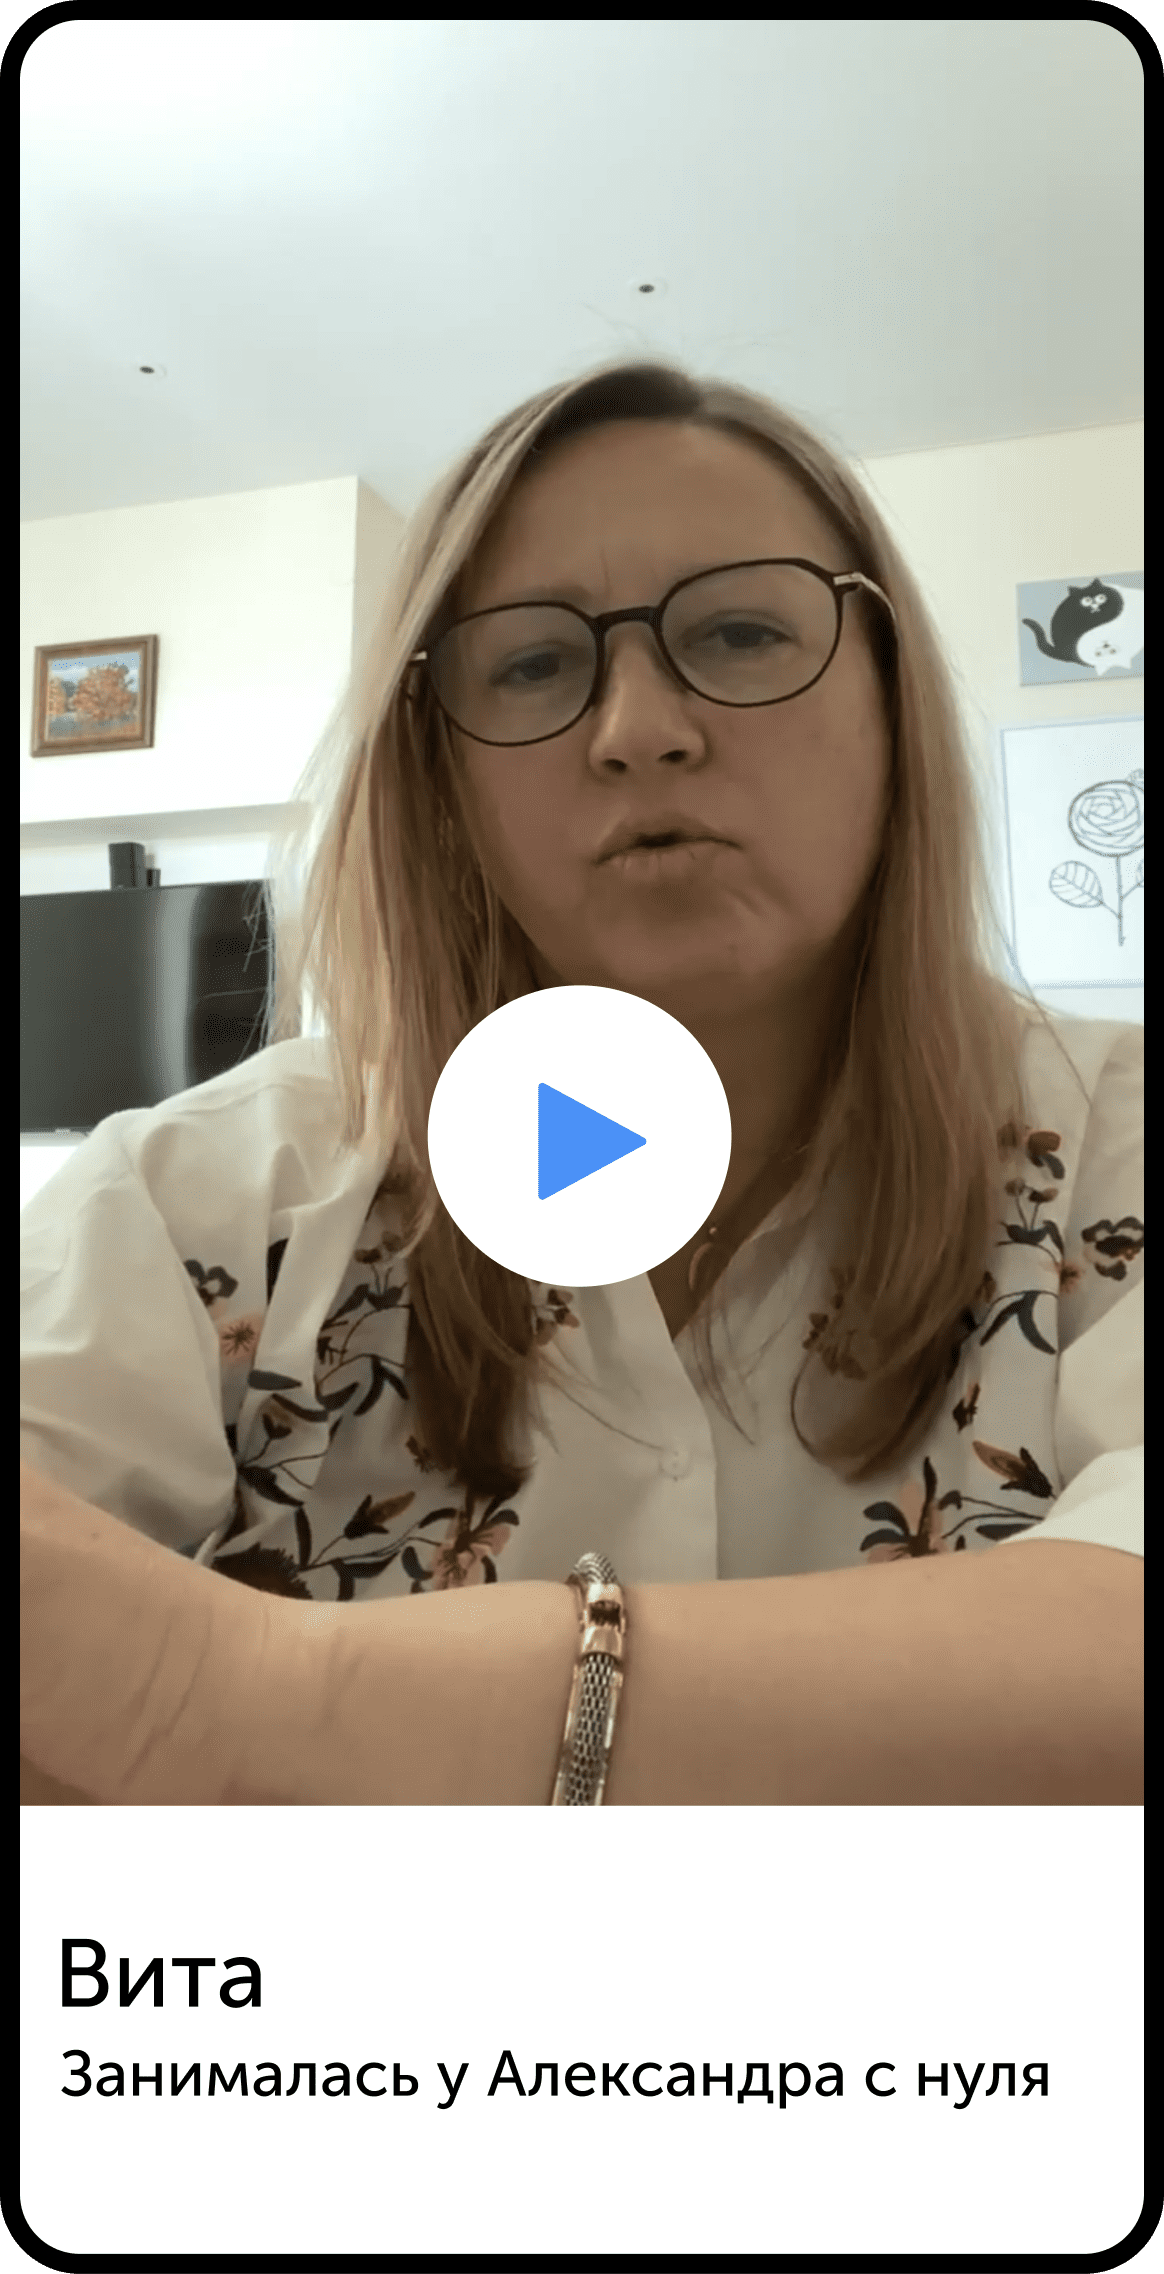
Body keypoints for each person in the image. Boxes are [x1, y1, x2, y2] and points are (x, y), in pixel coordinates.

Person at [20, 359, 1143, 1806]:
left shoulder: (1114, 1146)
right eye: (535, 665)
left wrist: (217, 1698)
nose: (638, 728)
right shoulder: (195, 1203)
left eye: (741, 631)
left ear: (893, 703)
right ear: (443, 775)